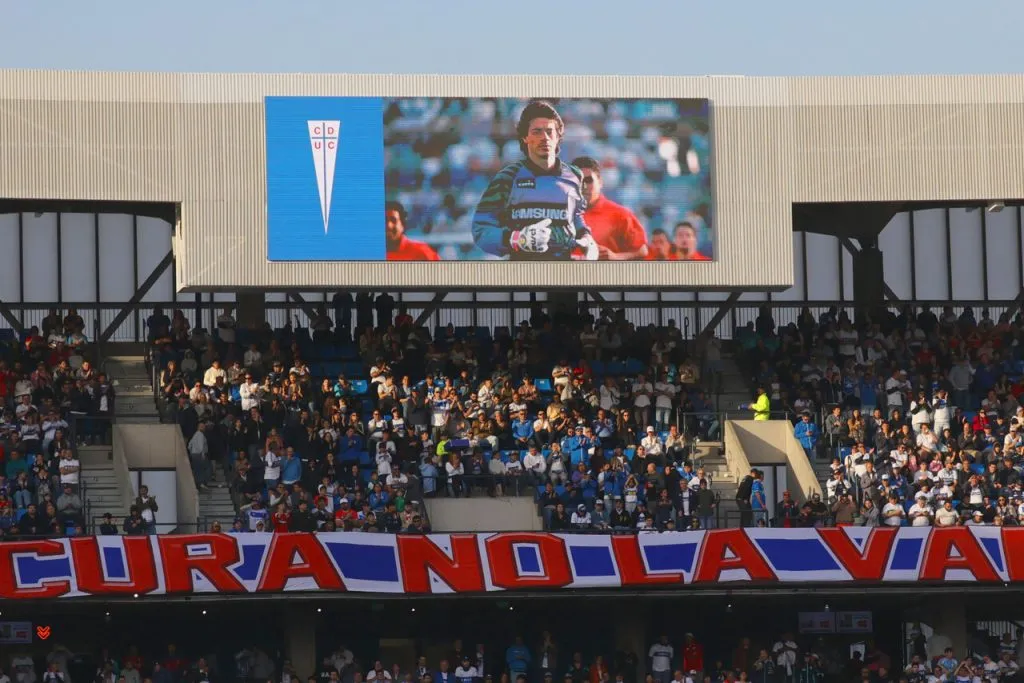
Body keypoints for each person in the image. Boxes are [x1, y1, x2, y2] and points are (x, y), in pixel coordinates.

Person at [471, 100, 598, 260]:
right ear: (525, 137)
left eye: (549, 131)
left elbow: (575, 215)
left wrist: (587, 237)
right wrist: (516, 239)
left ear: (559, 136)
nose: (544, 138)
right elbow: (481, 229)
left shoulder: (574, 175)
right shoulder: (507, 178)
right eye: (537, 132)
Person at [571, 156, 648, 260]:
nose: (583, 186)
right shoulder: (562, 213)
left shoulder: (620, 215)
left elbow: (642, 251)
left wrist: (615, 257)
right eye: (579, 181)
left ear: (600, 182)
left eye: (588, 180)